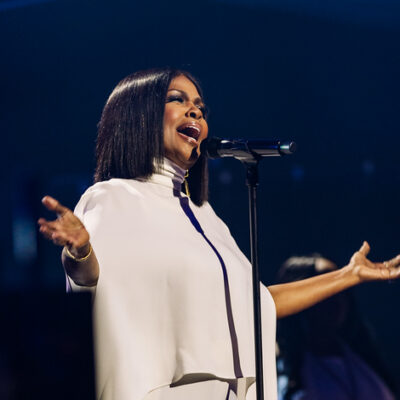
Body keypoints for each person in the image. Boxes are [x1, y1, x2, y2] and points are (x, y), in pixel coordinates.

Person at [38, 68, 400, 400]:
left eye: (200, 106)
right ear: (138, 115)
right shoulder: (112, 197)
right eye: (177, 99)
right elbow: (92, 286)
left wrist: (348, 275)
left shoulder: (206, 216)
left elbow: (256, 305)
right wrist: (81, 252)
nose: (195, 112)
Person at [275, 255, 398, 400]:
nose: (337, 300)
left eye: (341, 290)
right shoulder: (286, 371)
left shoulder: (364, 359)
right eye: (326, 292)